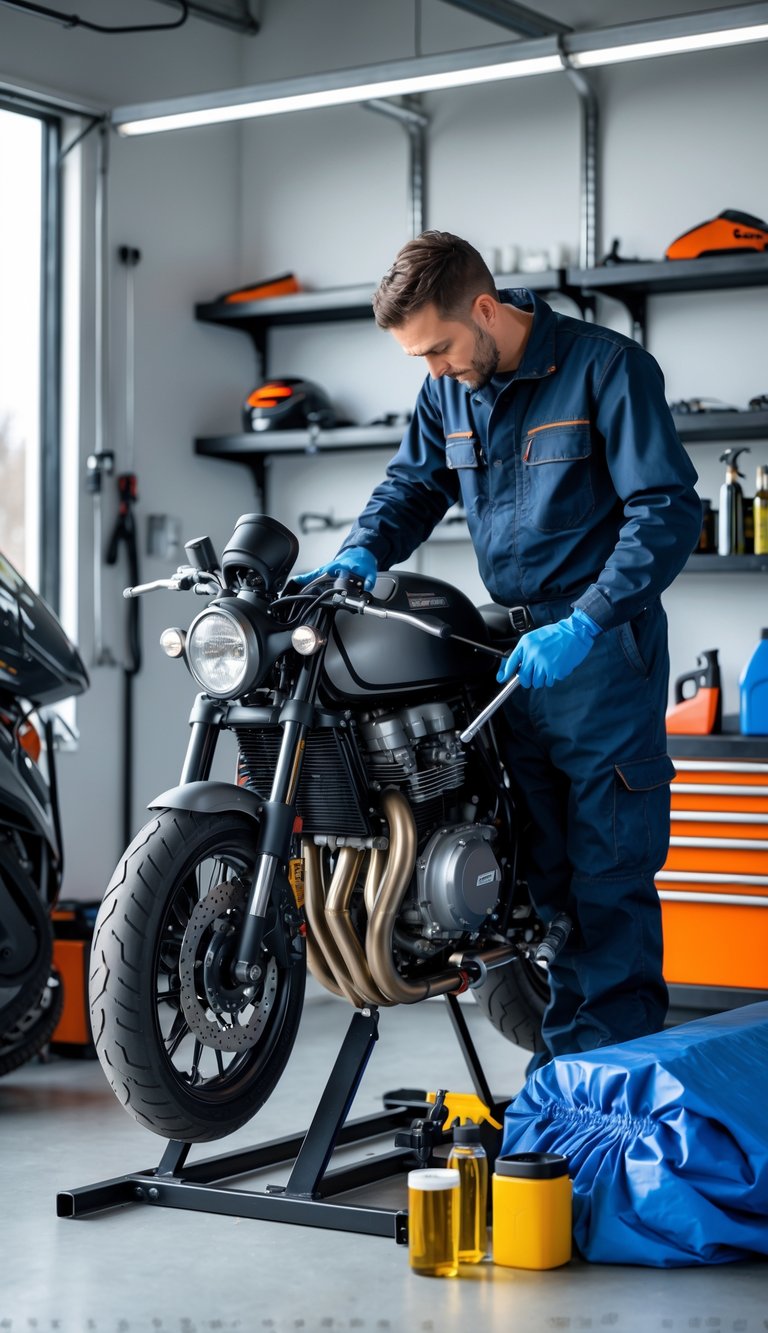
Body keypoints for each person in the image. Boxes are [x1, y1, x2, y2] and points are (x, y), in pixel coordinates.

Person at [296, 230, 702, 1068]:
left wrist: (586, 620)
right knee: (544, 875)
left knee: (607, 877)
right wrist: (362, 549)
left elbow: (666, 510)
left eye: (440, 347)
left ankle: (607, 1105)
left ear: (485, 309)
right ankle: (566, 1082)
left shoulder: (606, 369)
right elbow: (414, 485)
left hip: (597, 650)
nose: (435, 369)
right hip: (509, 654)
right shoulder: (449, 390)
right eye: (420, 357)